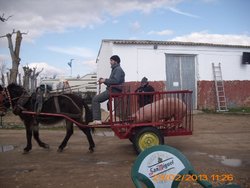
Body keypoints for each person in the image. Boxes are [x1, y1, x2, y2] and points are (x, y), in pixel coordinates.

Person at [88, 55, 125, 125]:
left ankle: (97, 120)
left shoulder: (118, 69)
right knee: (96, 99)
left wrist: (105, 80)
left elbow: (115, 81)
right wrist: (103, 80)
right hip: (112, 89)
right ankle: (97, 119)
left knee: (95, 99)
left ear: (115, 61)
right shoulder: (115, 69)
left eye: (111, 60)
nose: (110, 62)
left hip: (114, 90)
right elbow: (111, 81)